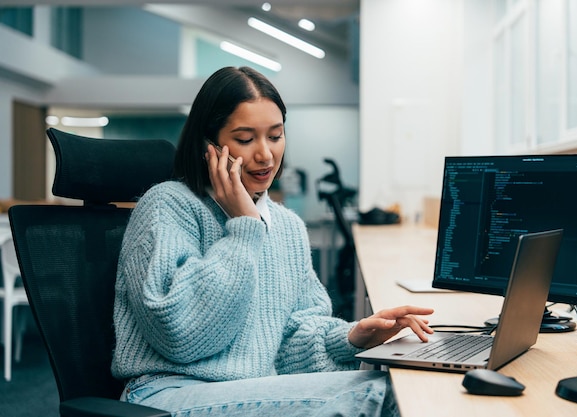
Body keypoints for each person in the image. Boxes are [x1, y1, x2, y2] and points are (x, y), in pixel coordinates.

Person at [111, 66, 434, 417]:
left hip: (247, 392)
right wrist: (244, 228)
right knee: (380, 397)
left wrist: (352, 338)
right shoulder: (167, 206)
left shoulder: (286, 226)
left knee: (397, 385)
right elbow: (181, 336)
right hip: (166, 393)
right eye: (246, 139)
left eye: (275, 136)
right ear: (209, 146)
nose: (265, 155)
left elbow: (290, 339)